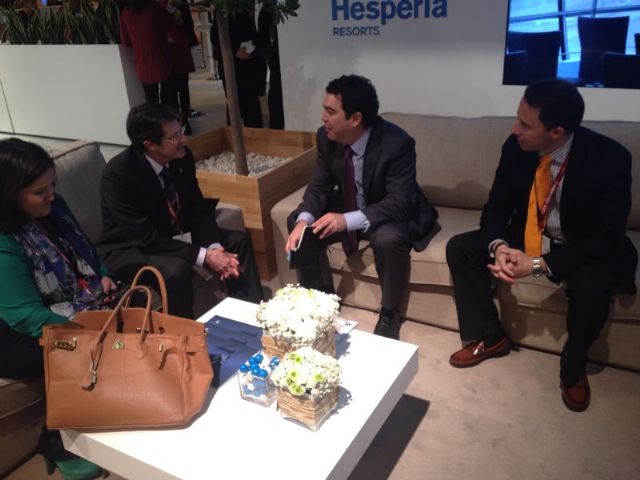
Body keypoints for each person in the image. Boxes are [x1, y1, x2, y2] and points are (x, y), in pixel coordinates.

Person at [446, 79, 637, 412]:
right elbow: (496, 209)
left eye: (525, 124)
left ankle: (574, 365)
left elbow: (605, 239)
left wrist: (537, 265)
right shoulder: (515, 147)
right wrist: (499, 247)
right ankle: (490, 337)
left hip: (582, 245)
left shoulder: (610, 159)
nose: (514, 129)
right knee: (460, 248)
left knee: (592, 288)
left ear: (556, 132)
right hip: (530, 234)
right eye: (517, 118)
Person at [285, 75, 439, 340]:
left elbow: (399, 202)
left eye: (330, 111)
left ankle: (390, 313)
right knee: (300, 222)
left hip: (388, 210)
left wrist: (347, 220)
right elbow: (319, 186)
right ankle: (322, 300)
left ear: (355, 118)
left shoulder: (397, 143)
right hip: (349, 202)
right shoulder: (326, 137)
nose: (323, 117)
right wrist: (303, 221)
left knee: (388, 238)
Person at [0, 139, 111, 480]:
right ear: (9, 194)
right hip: (13, 328)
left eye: (52, 186)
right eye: (40, 191)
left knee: (127, 311)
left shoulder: (54, 207)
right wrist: (83, 328)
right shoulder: (3, 238)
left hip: (69, 299)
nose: (51, 196)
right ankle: (56, 440)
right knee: (69, 347)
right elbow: (26, 316)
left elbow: (84, 249)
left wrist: (104, 275)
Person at [97, 102, 264, 319]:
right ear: (150, 144)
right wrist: (206, 256)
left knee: (237, 242)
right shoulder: (119, 175)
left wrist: (214, 247)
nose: (184, 139)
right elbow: (146, 239)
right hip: (133, 247)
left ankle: (252, 318)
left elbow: (197, 206)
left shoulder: (181, 157)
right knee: (176, 269)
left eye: (181, 130)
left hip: (173, 234)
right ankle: (184, 334)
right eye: (174, 136)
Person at [210, 2, 264, 127]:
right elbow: (216, 38)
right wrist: (235, 51)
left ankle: (253, 135)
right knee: (235, 103)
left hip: (249, 64)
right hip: (233, 66)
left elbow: (252, 33)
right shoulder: (225, 9)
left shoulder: (243, 8)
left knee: (251, 104)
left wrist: (255, 49)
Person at [120, 0, 177, 108]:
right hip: (162, 60)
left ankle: (154, 118)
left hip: (142, 65)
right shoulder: (154, 9)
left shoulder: (126, 13)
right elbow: (172, 23)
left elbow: (125, 41)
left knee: (151, 101)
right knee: (168, 100)